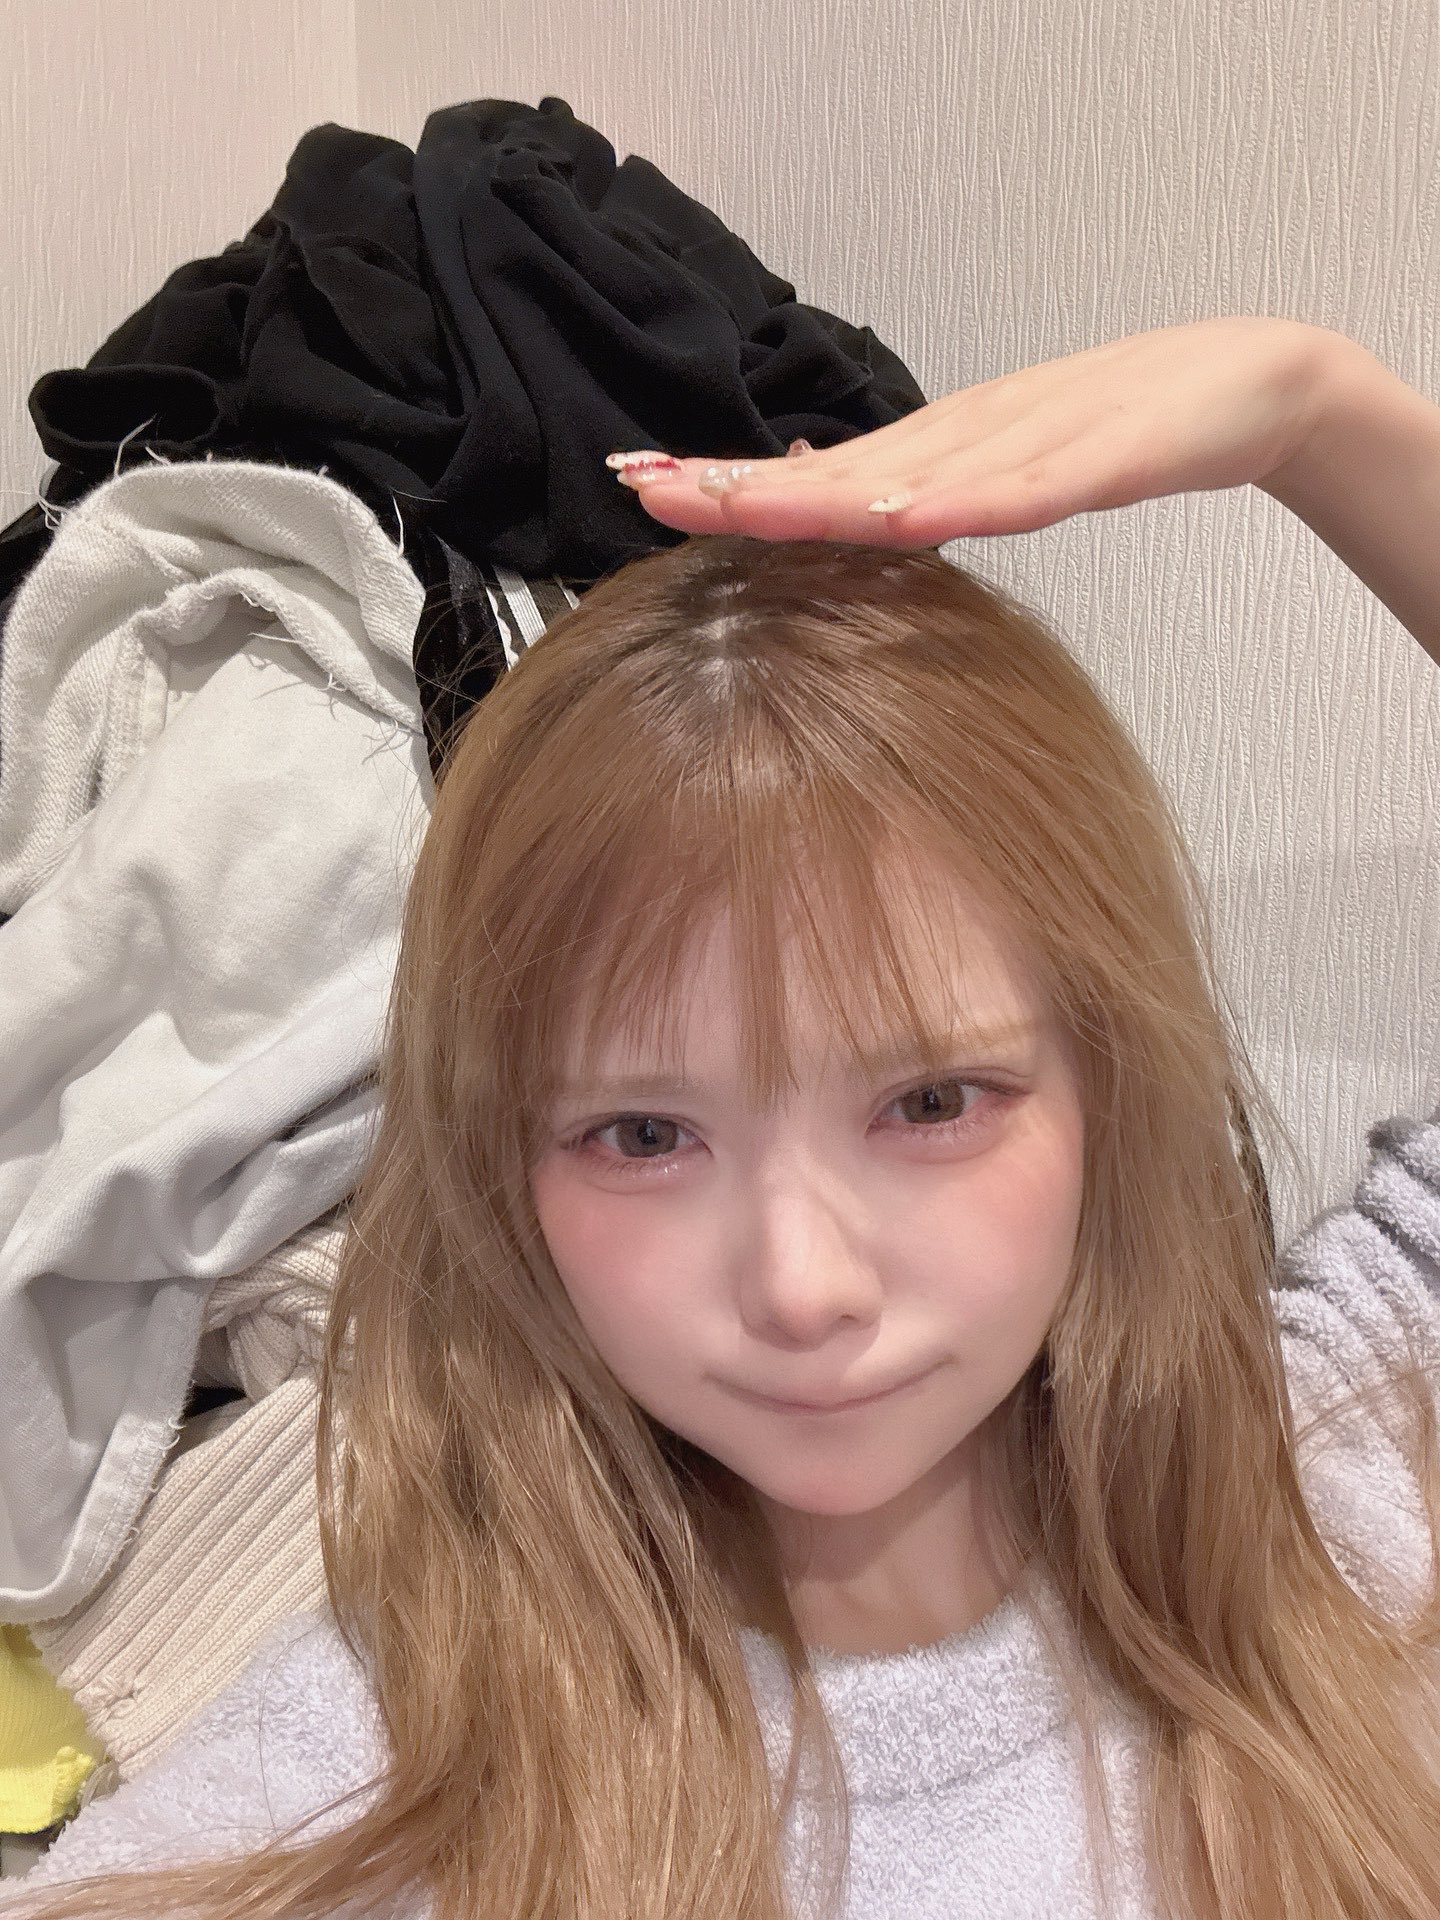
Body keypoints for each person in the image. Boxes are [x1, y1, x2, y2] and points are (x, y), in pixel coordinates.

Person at [10, 315, 1440, 1920]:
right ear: (499, 1159)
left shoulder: (1336, 1474)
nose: (802, 1289)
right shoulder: (382, 1759)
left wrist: (1322, 421)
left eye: (930, 1101)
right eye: (641, 1136)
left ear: (1108, 1075)